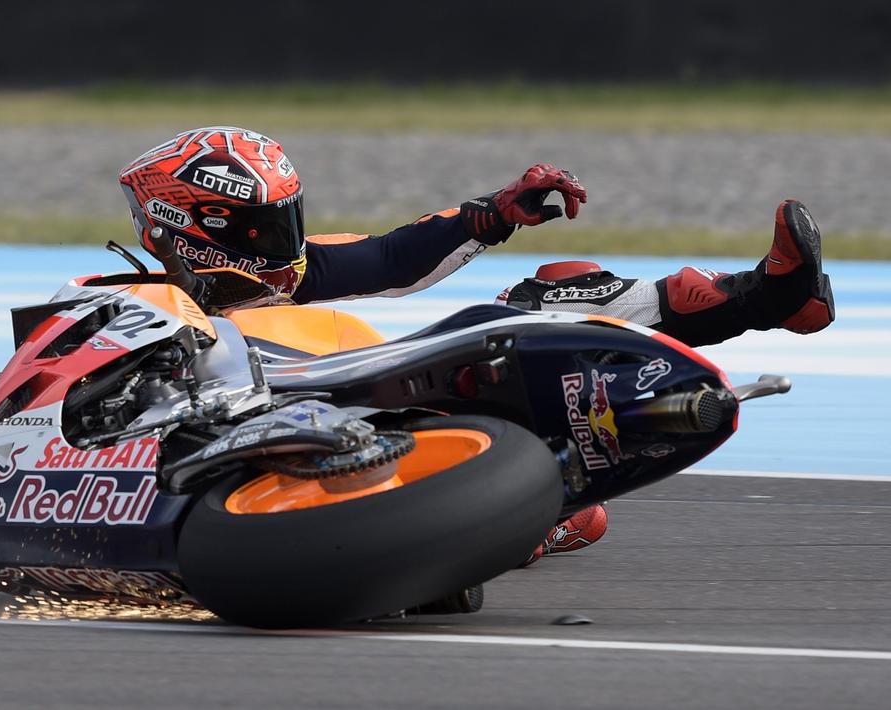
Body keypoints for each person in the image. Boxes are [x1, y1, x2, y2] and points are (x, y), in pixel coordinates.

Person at [118, 126, 835, 564]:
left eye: (286, 220)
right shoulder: (128, 303)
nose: (285, 243)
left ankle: (764, 297)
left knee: (546, 297)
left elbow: (389, 257)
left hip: (359, 394)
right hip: (230, 436)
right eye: (262, 228)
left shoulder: (288, 275)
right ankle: (502, 513)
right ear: (190, 228)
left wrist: (490, 215)